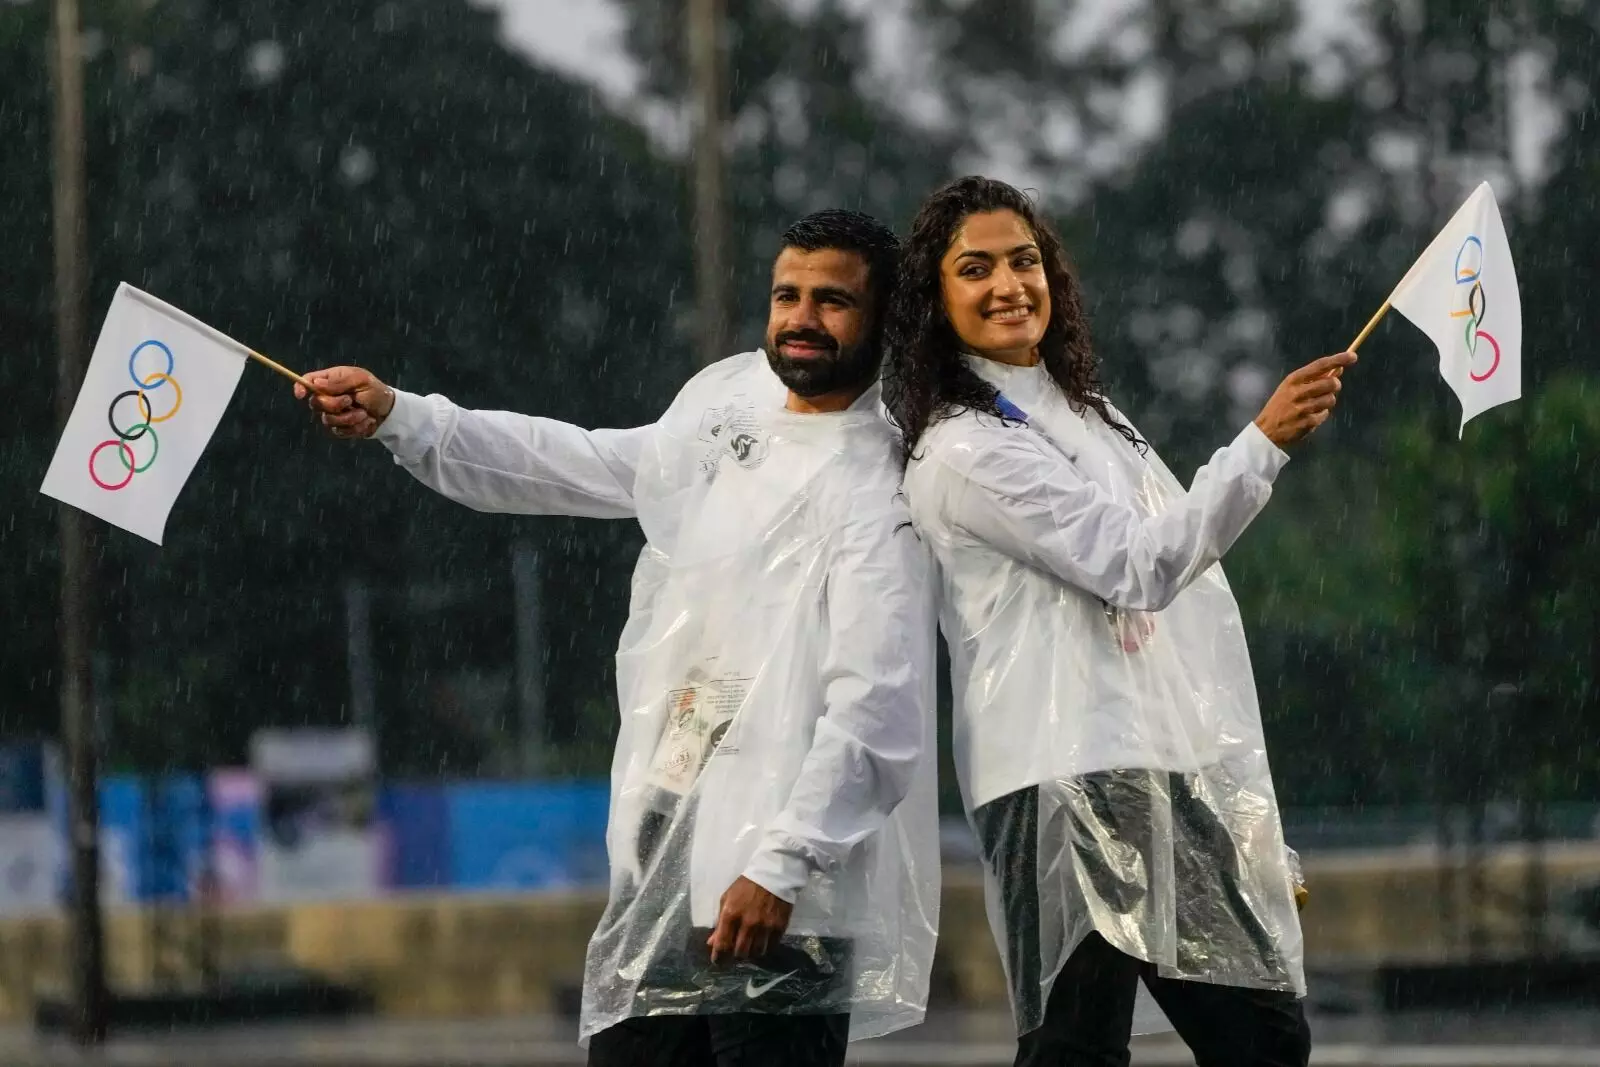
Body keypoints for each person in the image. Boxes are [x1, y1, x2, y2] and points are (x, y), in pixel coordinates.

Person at [295, 209, 940, 1067]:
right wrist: (404, 418)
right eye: (787, 294)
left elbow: (876, 709)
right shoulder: (731, 410)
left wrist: (783, 865)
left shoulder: (878, 490)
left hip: (778, 894)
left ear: (885, 318)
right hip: (667, 850)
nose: (801, 318)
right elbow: (585, 463)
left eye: (833, 300)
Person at [882, 175, 1354, 1067]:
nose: (1008, 285)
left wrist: (1237, 805)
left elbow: (1173, 614)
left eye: (1024, 261)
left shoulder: (1091, 414)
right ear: (934, 302)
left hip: (1162, 765)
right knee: (1075, 1048)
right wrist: (1262, 444)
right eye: (975, 269)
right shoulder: (963, 447)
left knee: (1264, 1035)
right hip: (1056, 776)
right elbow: (1138, 565)